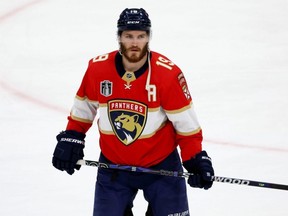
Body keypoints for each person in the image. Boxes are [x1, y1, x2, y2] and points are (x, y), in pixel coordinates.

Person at [52, 8, 214, 216]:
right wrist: (72, 136)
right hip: (113, 166)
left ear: (148, 37)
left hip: (161, 167)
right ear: (119, 37)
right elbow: (84, 108)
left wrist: (195, 158)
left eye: (141, 36)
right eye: (129, 36)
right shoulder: (98, 69)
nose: (135, 42)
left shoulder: (167, 75)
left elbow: (186, 126)